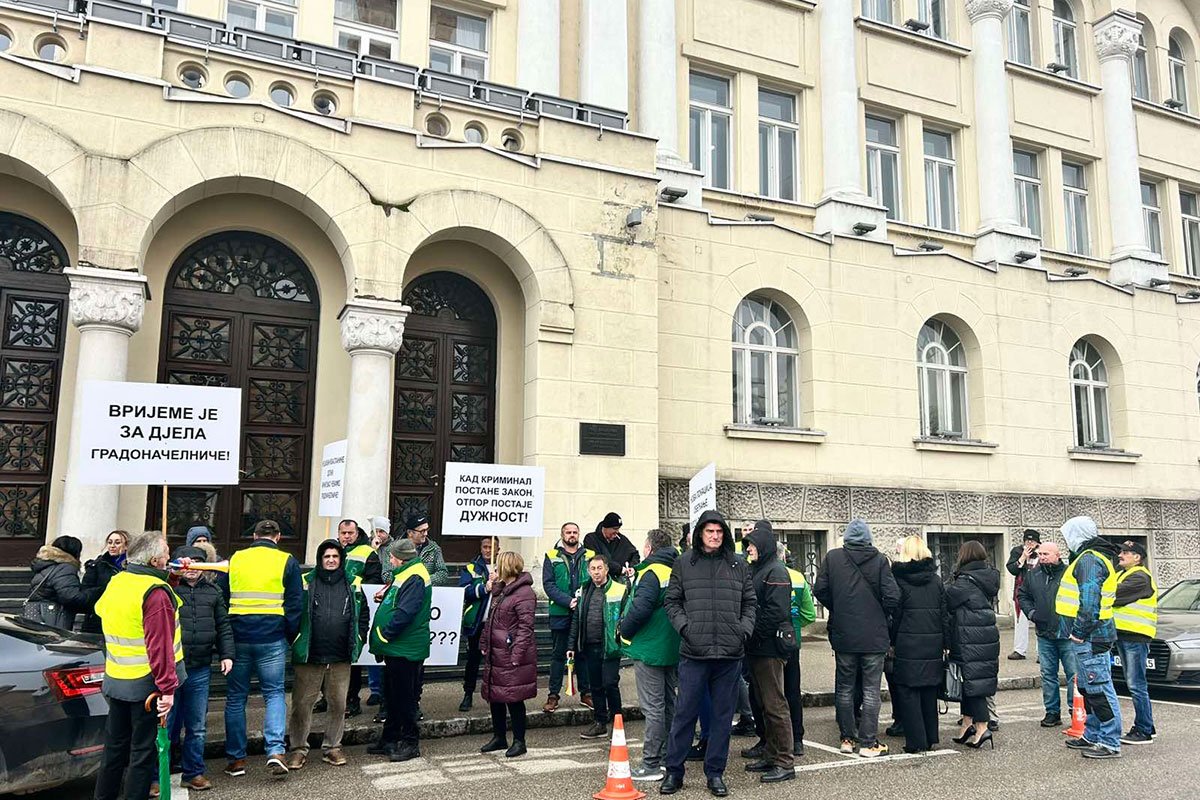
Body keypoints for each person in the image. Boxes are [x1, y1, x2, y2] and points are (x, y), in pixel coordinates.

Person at [660, 510, 755, 798]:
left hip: (729, 654)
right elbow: (671, 601)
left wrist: (743, 630)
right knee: (684, 715)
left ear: (725, 534)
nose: (714, 536)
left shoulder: (738, 565)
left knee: (722, 719)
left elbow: (750, 603)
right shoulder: (683, 563)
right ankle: (674, 772)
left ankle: (715, 773)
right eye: (709, 531)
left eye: (719, 532)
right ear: (700, 533)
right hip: (694, 653)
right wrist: (685, 628)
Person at [92, 531, 185, 800]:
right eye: (167, 553)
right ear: (155, 560)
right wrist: (168, 688)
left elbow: (102, 610)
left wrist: (172, 578)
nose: (171, 557)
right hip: (147, 685)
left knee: (114, 750)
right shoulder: (154, 594)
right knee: (142, 754)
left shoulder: (119, 581)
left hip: (116, 678)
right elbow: (160, 647)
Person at [812, 519, 900, 758]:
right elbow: (893, 597)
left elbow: (819, 589)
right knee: (871, 690)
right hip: (874, 636)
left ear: (847, 538)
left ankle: (847, 738)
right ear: (869, 539)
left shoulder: (833, 558)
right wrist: (880, 613)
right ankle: (868, 742)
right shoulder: (880, 560)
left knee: (844, 687)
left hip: (844, 633)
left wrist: (838, 606)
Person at [224, 519, 304, 779]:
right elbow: (295, 604)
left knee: (236, 698)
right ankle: (275, 752)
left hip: (238, 637)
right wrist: (289, 635)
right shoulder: (287, 561)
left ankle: (236, 760)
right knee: (274, 693)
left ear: (254, 536)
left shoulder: (235, 559)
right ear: (278, 537)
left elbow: (222, 597)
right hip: (272, 637)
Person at [286, 539, 369, 770]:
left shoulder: (353, 583)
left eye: (335, 556)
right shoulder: (305, 581)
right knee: (302, 705)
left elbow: (364, 613)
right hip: (310, 656)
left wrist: (360, 638)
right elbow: (292, 611)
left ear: (341, 560)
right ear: (320, 560)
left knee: (338, 705)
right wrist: (295, 639)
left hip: (341, 656)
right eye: (327, 557)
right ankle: (298, 749)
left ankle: (332, 747)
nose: (331, 560)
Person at [166, 545, 233, 792]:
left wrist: (226, 654)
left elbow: (223, 625)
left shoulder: (213, 592)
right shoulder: (168, 589)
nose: (191, 568)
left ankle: (193, 772)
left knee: (197, 725)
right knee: (167, 723)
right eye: (187, 563)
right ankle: (158, 772)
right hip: (173, 667)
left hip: (200, 666)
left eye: (197, 562)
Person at [1057, 516, 1124, 759]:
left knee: (1099, 688)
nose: (1066, 541)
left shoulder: (1088, 560)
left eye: (1068, 536)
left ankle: (1109, 741)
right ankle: (1093, 735)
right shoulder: (1092, 557)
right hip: (1092, 636)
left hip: (1090, 637)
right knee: (1089, 688)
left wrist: (1078, 633)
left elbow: (1089, 601)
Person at [618, 528, 680, 781]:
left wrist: (623, 630)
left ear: (649, 548)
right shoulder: (676, 570)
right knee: (669, 704)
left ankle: (651, 763)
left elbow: (640, 609)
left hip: (649, 648)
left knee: (653, 708)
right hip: (671, 647)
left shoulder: (651, 572)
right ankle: (668, 756)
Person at [367, 538, 432, 762]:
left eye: (391, 556)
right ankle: (390, 737)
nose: (390, 560)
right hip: (399, 648)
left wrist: (385, 634)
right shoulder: (407, 572)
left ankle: (409, 741)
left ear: (399, 557)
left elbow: (406, 611)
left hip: (406, 647)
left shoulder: (414, 575)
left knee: (404, 698)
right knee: (393, 695)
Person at [741, 522, 795, 784]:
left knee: (775, 704)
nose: (748, 549)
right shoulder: (759, 569)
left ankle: (785, 761)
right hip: (757, 648)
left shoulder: (776, 571)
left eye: (751, 544)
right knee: (764, 704)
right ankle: (772, 755)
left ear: (762, 545)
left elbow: (776, 612)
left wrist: (752, 634)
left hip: (769, 648)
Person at [888, 536, 947, 754]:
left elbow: (895, 613)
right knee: (929, 691)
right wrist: (945, 642)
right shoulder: (936, 580)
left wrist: (891, 640)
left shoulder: (898, 579)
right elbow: (944, 614)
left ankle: (916, 741)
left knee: (907, 691)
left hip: (907, 641)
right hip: (932, 642)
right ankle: (931, 736)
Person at [478, 550, 537, 758]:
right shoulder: (502, 590)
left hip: (511, 653)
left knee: (514, 698)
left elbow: (525, 628)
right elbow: (491, 620)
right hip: (497, 653)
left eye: (498, 566)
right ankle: (499, 736)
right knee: (496, 696)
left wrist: (517, 655)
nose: (495, 569)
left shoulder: (524, 594)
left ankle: (519, 741)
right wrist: (485, 642)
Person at [945, 540, 1000, 750]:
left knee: (973, 685)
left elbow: (947, 598)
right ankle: (968, 724)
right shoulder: (987, 576)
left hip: (969, 638)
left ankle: (982, 727)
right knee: (970, 684)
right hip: (984, 636)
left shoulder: (965, 582)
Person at [1017, 541, 1076, 727]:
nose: (1042, 557)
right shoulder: (1033, 574)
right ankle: (1052, 712)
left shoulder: (1070, 573)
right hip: (1044, 633)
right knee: (1048, 674)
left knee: (1073, 674)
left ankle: (1075, 710)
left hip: (1067, 633)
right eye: (1040, 554)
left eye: (1046, 554)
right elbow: (1023, 595)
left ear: (1058, 555)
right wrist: (1032, 613)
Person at [568, 555, 626, 739]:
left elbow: (626, 615)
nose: (596, 572)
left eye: (599, 568)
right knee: (596, 686)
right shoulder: (584, 589)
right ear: (588, 571)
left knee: (610, 683)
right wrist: (571, 644)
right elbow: (577, 619)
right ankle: (600, 722)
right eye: (593, 569)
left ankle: (618, 722)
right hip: (589, 645)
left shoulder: (619, 589)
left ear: (607, 570)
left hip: (610, 646)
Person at [542, 522, 594, 713]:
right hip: (560, 613)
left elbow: (594, 579)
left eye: (575, 532)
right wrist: (568, 601)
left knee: (582, 654)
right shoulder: (551, 555)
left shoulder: (589, 554)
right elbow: (548, 585)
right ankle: (553, 696)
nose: (572, 535)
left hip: (583, 613)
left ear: (579, 534)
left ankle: (586, 694)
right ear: (562, 534)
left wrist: (582, 600)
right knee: (558, 655)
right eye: (568, 532)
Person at [1113, 540, 1157, 745]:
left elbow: (1112, 595)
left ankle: (1143, 730)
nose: (1121, 555)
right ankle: (1148, 724)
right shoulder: (1123, 574)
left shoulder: (1139, 577)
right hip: (1125, 635)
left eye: (1126, 552)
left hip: (1135, 636)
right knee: (1135, 683)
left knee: (1136, 684)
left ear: (1137, 558)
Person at [338, 519, 381, 718]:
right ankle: (328, 698)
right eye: (343, 532)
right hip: (332, 612)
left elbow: (373, 580)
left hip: (355, 612)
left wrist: (351, 584)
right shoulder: (332, 550)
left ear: (357, 533)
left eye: (350, 533)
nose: (346, 536)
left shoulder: (367, 553)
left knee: (352, 660)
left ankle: (352, 700)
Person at [26, 535, 94, 630]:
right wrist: (93, 593)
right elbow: (70, 596)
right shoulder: (65, 568)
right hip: (54, 617)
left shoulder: (48, 565)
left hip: (37, 613)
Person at [459, 536, 496, 712]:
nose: (488, 550)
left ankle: (494, 695)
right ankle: (468, 693)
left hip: (497, 624)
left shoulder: (503, 565)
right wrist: (484, 588)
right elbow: (464, 591)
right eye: (485, 547)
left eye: (492, 547)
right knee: (473, 660)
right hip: (477, 622)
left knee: (496, 661)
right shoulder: (471, 567)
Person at [366, 516, 392, 720]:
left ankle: (383, 691)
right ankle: (374, 689)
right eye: (376, 532)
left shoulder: (393, 548)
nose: (379, 536)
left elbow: (387, 575)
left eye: (382, 532)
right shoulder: (368, 548)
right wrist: (372, 550)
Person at [81, 530, 129, 633]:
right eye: (110, 542)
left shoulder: (132, 566)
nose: (112, 546)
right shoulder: (97, 565)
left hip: (124, 616)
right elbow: (85, 591)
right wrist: (105, 590)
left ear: (126, 546)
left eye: (117, 542)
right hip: (99, 617)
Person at [1005, 529, 1041, 660]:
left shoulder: (1042, 552)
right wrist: (1023, 558)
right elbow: (1011, 569)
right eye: (1027, 540)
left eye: (1032, 541)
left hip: (1040, 592)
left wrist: (1039, 555)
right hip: (1023, 592)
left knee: (1041, 621)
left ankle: (1041, 653)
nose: (1029, 543)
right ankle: (1020, 650)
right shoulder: (1017, 551)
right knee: (1021, 621)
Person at [584, 512, 640, 581]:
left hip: (619, 583)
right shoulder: (591, 539)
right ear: (605, 527)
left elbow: (634, 554)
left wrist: (632, 567)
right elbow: (597, 560)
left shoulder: (621, 539)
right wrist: (619, 569)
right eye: (614, 528)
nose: (617, 532)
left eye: (618, 529)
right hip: (598, 583)